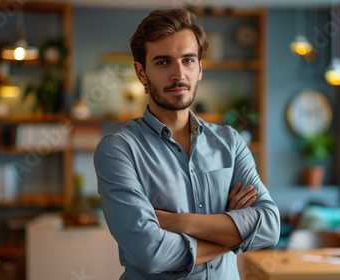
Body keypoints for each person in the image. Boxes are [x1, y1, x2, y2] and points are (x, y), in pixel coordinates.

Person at [94, 8, 280, 280]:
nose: (178, 74)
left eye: (188, 60)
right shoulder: (118, 149)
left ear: (200, 69)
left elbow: (269, 227)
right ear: (141, 72)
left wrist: (179, 222)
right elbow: (151, 252)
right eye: (163, 62)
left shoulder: (231, 142)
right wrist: (234, 229)